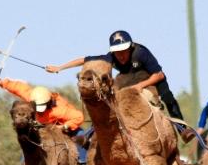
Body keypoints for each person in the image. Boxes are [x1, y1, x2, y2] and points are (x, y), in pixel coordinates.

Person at [45, 30, 194, 142]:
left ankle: (183, 130)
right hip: (128, 78)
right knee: (109, 101)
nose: (121, 55)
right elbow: (84, 59)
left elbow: (159, 74)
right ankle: (90, 134)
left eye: (124, 51)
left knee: (167, 96)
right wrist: (60, 67)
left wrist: (141, 86)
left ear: (130, 47)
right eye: (117, 52)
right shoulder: (110, 57)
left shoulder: (141, 53)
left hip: (151, 76)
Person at [0, 77, 86, 165]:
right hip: (43, 129)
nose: (40, 111)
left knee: (81, 135)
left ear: (49, 102)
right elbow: (17, 87)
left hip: (63, 126)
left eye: (42, 108)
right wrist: (2, 83)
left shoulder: (60, 109)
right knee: (28, 144)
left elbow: (79, 116)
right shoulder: (31, 96)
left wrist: (64, 127)